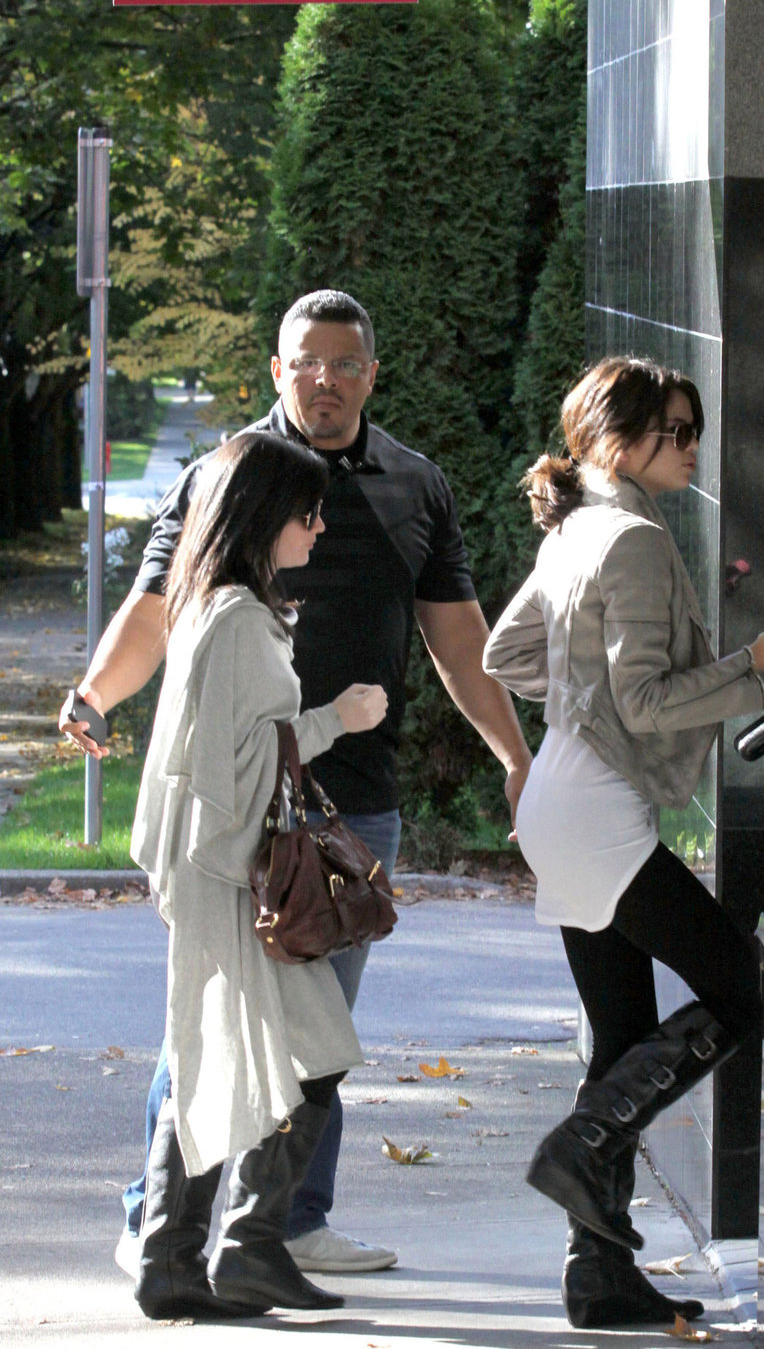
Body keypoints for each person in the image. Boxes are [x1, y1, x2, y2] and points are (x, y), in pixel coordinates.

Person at [60, 289, 531, 1276]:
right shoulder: (227, 474)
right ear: (277, 370)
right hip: (236, 802)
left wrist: (514, 755)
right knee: (214, 1016)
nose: (324, 378)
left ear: (371, 371)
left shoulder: (413, 484)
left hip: (349, 805)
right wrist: (96, 694)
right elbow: (155, 607)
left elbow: (455, 633)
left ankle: (286, 1222)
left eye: (344, 362)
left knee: (319, 1031)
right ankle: (160, 1218)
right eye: (305, 361)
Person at [482, 356, 764, 1330]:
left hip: (566, 794)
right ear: (620, 437)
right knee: (740, 987)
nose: (694, 447)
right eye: (678, 429)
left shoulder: (580, 524)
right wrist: (755, 666)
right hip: (593, 809)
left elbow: (510, 655)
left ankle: (598, 1274)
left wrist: (586, 707)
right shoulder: (624, 537)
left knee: (623, 1036)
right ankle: (582, 1144)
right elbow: (643, 699)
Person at [129, 429, 387, 1320]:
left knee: (214, 1053)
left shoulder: (213, 604)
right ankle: (241, 1249)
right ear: (268, 515)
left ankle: (182, 1261)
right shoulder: (237, 618)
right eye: (309, 513)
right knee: (311, 1057)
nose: (316, 530)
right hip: (242, 877)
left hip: (227, 871)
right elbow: (240, 767)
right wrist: (336, 718)